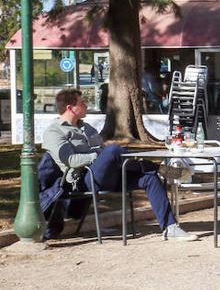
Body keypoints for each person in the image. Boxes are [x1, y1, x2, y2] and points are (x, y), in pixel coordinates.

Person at [42, 88, 197, 241]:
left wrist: (103, 154)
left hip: (107, 174)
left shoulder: (86, 128)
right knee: (113, 150)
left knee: (149, 178)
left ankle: (170, 228)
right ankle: (161, 168)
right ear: (70, 108)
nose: (86, 105)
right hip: (83, 179)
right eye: (82, 103)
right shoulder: (54, 132)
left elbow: (102, 150)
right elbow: (70, 160)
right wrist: (97, 155)